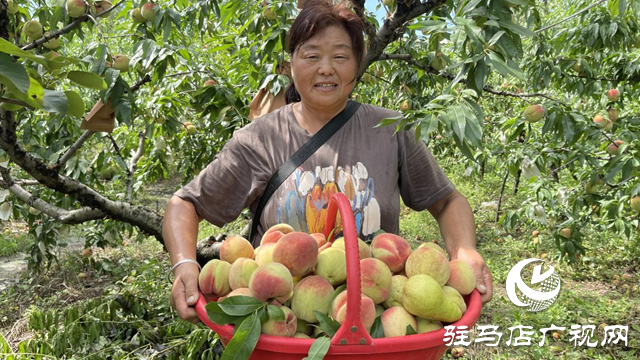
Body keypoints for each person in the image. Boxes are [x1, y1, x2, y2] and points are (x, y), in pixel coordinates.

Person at [163, 0, 493, 324]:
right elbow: (185, 203)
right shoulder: (260, 138)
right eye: (311, 55)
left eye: (340, 56)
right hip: (283, 325)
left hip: (377, 325)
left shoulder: (391, 130)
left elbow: (448, 201)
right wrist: (184, 265)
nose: (326, 68)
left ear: (357, 64)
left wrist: (464, 249)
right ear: (290, 63)